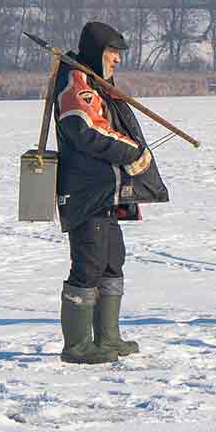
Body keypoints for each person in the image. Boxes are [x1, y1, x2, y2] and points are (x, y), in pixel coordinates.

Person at [52, 21, 156, 364]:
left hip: (109, 193)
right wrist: (133, 152)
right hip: (86, 192)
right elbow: (88, 130)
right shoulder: (75, 83)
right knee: (89, 265)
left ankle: (108, 337)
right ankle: (78, 345)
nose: (117, 60)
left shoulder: (98, 84)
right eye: (113, 53)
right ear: (97, 51)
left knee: (112, 261)